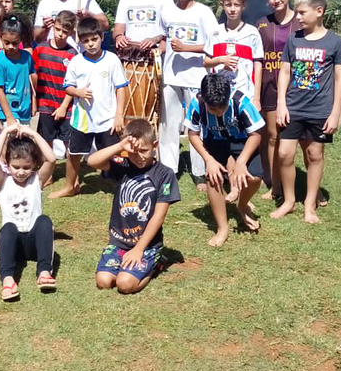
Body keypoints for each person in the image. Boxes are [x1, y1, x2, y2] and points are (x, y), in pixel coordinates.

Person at [274, 0, 341, 224]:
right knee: (285, 153)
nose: (297, 17)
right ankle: (288, 201)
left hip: (319, 110)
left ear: (319, 11)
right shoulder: (293, 40)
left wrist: (335, 113)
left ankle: (309, 204)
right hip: (293, 107)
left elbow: (340, 79)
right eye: (297, 12)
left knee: (314, 154)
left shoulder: (335, 42)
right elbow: (284, 71)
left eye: (302, 12)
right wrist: (282, 103)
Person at [88, 119, 180, 295]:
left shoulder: (164, 174)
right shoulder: (123, 166)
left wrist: (139, 249)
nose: (138, 157)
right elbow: (92, 161)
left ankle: (155, 265)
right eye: (133, 152)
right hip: (119, 241)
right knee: (103, 281)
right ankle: (129, 264)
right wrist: (119, 146)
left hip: (146, 245)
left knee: (125, 284)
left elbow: (158, 216)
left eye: (144, 151)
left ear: (155, 145)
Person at [185, 72, 264, 247]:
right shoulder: (197, 103)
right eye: (213, 109)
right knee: (213, 178)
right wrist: (209, 160)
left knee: (255, 177)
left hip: (242, 140)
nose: (219, 112)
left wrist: (241, 162)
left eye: (222, 107)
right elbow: (193, 134)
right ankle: (222, 228)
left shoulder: (241, 102)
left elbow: (256, 133)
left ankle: (242, 205)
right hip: (214, 141)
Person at [55, 16, 129, 197]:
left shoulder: (111, 60)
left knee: (115, 154)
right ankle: (70, 186)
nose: (90, 44)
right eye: (86, 40)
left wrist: (119, 115)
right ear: (81, 42)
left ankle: (122, 183)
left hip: (107, 119)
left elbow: (121, 88)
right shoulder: (76, 62)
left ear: (102, 37)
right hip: (83, 120)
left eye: (94, 39)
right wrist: (77, 92)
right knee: (73, 154)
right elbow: (68, 87)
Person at [158, 0, 218, 180]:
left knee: (197, 123)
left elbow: (215, 44)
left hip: (196, 77)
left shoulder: (204, 12)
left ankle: (199, 171)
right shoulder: (166, 11)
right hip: (171, 76)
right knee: (168, 124)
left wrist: (188, 48)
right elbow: (163, 39)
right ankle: (168, 168)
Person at [0, 124, 58, 301]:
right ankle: (8, 279)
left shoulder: (36, 181)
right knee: (8, 228)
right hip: (13, 243)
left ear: (34, 165)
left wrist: (32, 133)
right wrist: (4, 133)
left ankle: (43, 272)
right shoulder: (3, 182)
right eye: (16, 166)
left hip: (33, 242)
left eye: (26, 167)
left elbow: (51, 159)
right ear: (8, 164)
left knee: (44, 221)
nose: (21, 172)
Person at [256, 0, 302, 203]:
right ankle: (275, 186)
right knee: (273, 137)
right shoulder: (262, 23)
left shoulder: (301, 21)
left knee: (306, 141)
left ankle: (313, 187)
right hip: (270, 86)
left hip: (300, 87)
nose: (276, 0)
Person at [33, 9, 77, 180]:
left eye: (65, 32)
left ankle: (72, 177)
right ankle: (48, 174)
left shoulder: (72, 54)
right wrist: (35, 100)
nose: (60, 34)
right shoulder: (41, 49)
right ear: (54, 26)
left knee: (69, 143)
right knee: (46, 141)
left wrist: (64, 106)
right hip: (45, 103)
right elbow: (34, 77)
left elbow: (73, 84)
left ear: (71, 32)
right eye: (58, 29)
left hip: (65, 105)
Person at [204, 0, 264, 106]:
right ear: (222, 5)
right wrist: (221, 60)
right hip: (219, 95)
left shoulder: (252, 33)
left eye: (236, 5)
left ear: (243, 6)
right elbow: (206, 62)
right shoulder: (215, 32)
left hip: (246, 95)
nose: (232, 9)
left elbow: (258, 67)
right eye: (228, 5)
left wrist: (257, 98)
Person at [0, 15, 36, 126]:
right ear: (0, 37)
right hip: (7, 114)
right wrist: (9, 117)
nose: (10, 46)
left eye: (15, 43)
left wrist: (33, 101)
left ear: (21, 39)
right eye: (7, 43)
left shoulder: (27, 57)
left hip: (24, 111)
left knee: (25, 143)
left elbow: (30, 80)